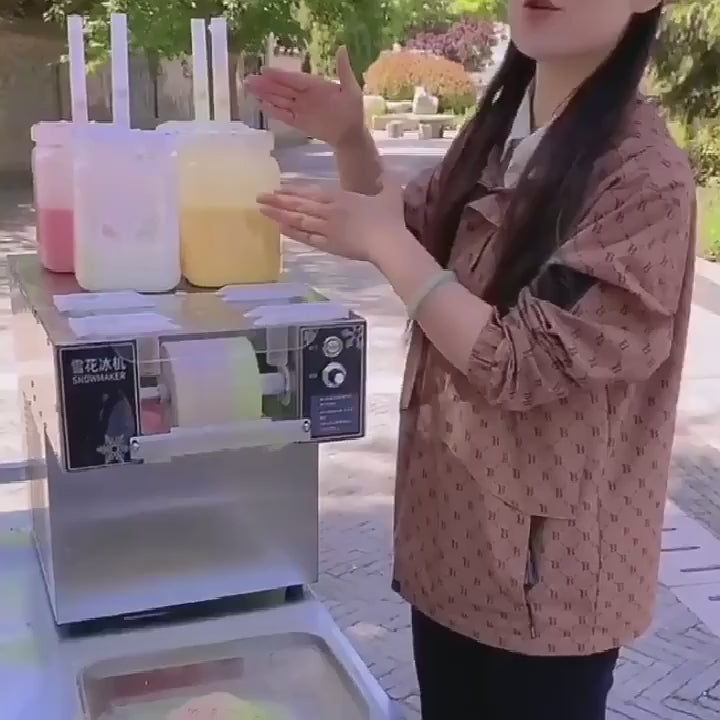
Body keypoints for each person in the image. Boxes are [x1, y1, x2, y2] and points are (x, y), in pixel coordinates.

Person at [246, 1, 695, 718]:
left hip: (545, 593)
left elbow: (519, 361)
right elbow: (409, 230)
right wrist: (350, 138)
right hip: (454, 552)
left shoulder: (643, 178)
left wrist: (385, 245)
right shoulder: (501, 133)